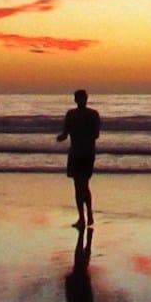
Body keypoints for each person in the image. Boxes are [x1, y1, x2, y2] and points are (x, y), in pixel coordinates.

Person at [57, 88, 100, 228]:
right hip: (76, 152)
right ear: (76, 100)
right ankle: (82, 217)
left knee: (83, 185)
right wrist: (61, 137)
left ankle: (88, 214)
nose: (81, 100)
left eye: (83, 98)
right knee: (79, 185)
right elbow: (65, 133)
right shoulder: (71, 114)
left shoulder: (93, 114)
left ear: (86, 99)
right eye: (79, 98)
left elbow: (96, 134)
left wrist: (79, 135)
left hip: (86, 152)